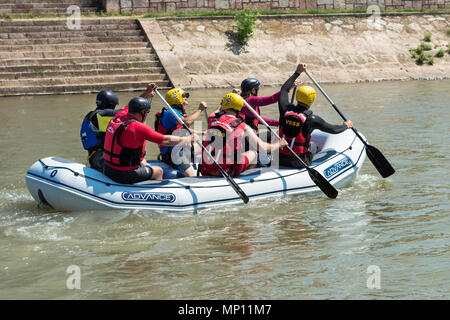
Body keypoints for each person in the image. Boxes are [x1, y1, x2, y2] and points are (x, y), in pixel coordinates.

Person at [103, 97, 198, 184]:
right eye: (147, 113)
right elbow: (164, 140)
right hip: (122, 174)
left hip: (107, 168)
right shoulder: (137, 126)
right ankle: (159, 196)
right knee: (158, 171)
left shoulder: (117, 118)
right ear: (142, 112)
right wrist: (187, 139)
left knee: (143, 162)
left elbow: (127, 107)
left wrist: (147, 93)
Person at [278, 63, 354, 168]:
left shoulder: (285, 109)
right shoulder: (312, 119)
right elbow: (334, 130)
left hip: (279, 158)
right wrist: (346, 125)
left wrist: (297, 72)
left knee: (311, 145)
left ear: (297, 96)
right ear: (311, 100)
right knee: (313, 146)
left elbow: (284, 90)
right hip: (298, 162)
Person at [200, 93, 287, 177]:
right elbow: (263, 148)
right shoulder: (243, 126)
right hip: (226, 170)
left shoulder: (212, 119)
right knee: (253, 154)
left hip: (205, 169)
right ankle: (244, 180)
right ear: (239, 108)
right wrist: (279, 144)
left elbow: (216, 111)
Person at [80, 84, 156, 172]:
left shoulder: (91, 114)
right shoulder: (103, 115)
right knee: (138, 162)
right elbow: (131, 109)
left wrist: (146, 94)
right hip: (101, 158)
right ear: (111, 104)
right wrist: (146, 93)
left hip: (94, 156)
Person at [154, 88, 207, 177]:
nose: (187, 103)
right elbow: (187, 122)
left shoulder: (176, 114)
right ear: (178, 100)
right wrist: (200, 109)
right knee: (191, 176)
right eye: (185, 100)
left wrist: (203, 132)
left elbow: (184, 128)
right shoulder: (170, 113)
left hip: (180, 148)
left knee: (205, 146)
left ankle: (209, 169)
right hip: (173, 153)